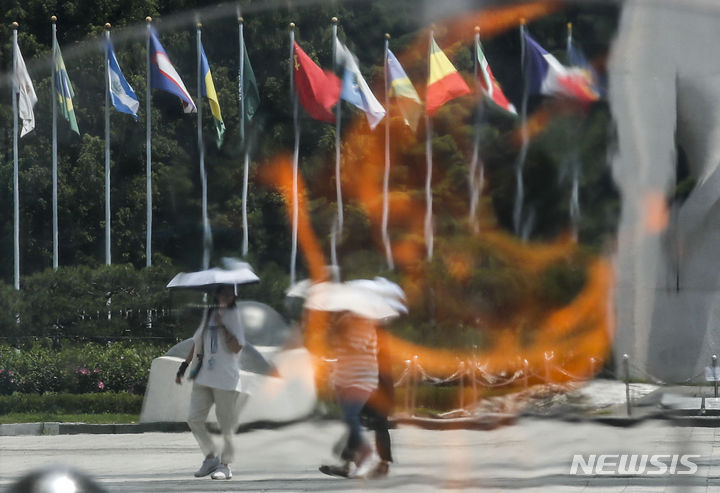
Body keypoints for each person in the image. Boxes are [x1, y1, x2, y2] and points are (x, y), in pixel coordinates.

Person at [175, 285, 247, 481]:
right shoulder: (209, 315)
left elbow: (237, 347)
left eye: (229, 294)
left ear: (234, 296)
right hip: (204, 376)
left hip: (225, 379)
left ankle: (225, 466)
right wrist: (184, 366)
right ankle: (210, 457)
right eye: (221, 293)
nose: (225, 296)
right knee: (194, 418)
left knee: (226, 424)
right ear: (216, 295)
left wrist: (223, 326)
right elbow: (196, 341)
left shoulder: (235, 317)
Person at [319, 311, 378, 478]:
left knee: (350, 418)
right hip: (343, 378)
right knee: (346, 422)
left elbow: (355, 347)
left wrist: (339, 332)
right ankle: (346, 463)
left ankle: (367, 454)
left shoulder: (365, 325)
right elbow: (336, 349)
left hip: (361, 379)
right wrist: (334, 331)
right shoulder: (344, 324)